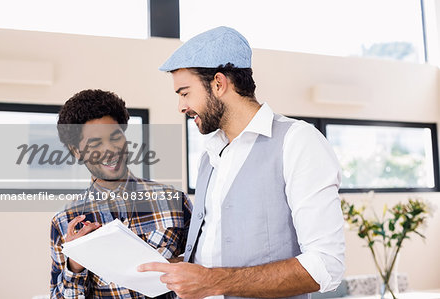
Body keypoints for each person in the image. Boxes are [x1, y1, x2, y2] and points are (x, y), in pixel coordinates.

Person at [138, 27, 345, 299]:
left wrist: (213, 281)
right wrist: (179, 270)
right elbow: (214, 250)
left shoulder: (298, 141)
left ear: (219, 84)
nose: (181, 106)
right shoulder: (209, 155)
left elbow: (326, 265)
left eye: (185, 93)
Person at [50, 89, 192, 298]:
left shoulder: (175, 203)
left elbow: (207, 269)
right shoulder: (65, 222)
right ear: (76, 152)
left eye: (115, 137)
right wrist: (75, 266)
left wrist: (177, 266)